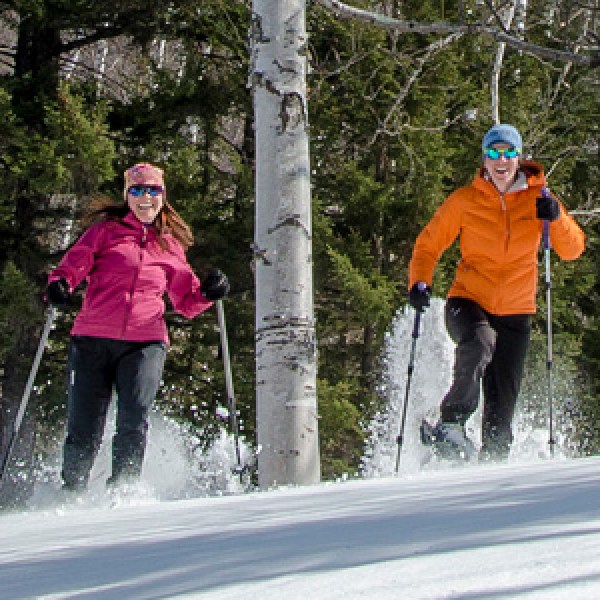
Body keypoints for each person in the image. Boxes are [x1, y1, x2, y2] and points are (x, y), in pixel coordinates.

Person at [46, 163, 230, 490]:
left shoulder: (170, 245)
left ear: (163, 196)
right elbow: (72, 266)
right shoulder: (104, 232)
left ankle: (124, 490)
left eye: (153, 190)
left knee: (134, 418)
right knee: (85, 426)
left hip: (144, 343)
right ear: (127, 195)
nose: (146, 197)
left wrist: (208, 293)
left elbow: (187, 302)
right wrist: (60, 284)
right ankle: (71, 492)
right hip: (92, 338)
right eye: (138, 190)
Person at [408, 124, 585, 461]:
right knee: (479, 342)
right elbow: (428, 245)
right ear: (485, 159)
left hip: (517, 312)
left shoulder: (540, 198)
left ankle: (492, 467)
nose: (500, 160)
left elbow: (573, 249)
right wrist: (419, 282)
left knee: (501, 409)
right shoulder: (465, 200)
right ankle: (452, 424)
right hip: (469, 301)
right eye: (493, 153)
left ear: (518, 158)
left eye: (507, 153)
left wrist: (557, 218)